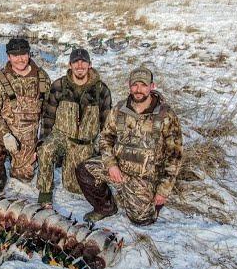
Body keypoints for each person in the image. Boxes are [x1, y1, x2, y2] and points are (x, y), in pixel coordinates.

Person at [75, 66, 183, 225]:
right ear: (129, 85)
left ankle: (145, 201)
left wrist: (163, 190)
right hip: (118, 169)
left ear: (152, 87)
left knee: (142, 221)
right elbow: (105, 138)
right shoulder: (119, 109)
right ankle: (105, 207)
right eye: (135, 85)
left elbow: (175, 156)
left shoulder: (165, 114)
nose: (138, 90)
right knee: (84, 170)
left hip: (145, 178)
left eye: (143, 85)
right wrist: (111, 165)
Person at [36, 48, 112, 206]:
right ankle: (45, 193)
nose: (79, 65)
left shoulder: (101, 90)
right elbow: (48, 116)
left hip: (84, 143)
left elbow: (107, 125)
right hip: (61, 135)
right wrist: (45, 140)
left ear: (90, 65)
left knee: (74, 188)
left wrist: (100, 150)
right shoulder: (59, 85)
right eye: (76, 62)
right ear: (70, 65)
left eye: (83, 62)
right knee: (45, 150)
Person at [0, 38, 51, 192]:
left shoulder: (42, 78)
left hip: (28, 135)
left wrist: (41, 143)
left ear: (29, 54)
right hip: (5, 130)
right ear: (9, 57)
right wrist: (5, 135)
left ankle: (17, 158)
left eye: (23, 54)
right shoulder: (0, 78)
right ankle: (0, 177)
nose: (20, 59)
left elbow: (49, 113)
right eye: (15, 55)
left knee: (24, 176)